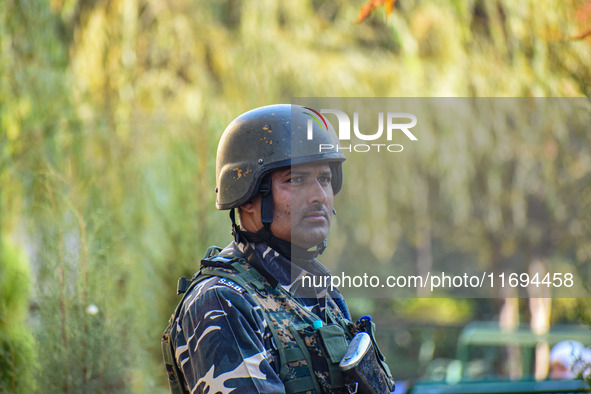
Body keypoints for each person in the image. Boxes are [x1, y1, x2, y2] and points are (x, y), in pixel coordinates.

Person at [162, 104, 394, 393]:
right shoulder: (222, 301)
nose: (319, 196)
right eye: (296, 180)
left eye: (324, 179)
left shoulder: (319, 292)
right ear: (246, 196)